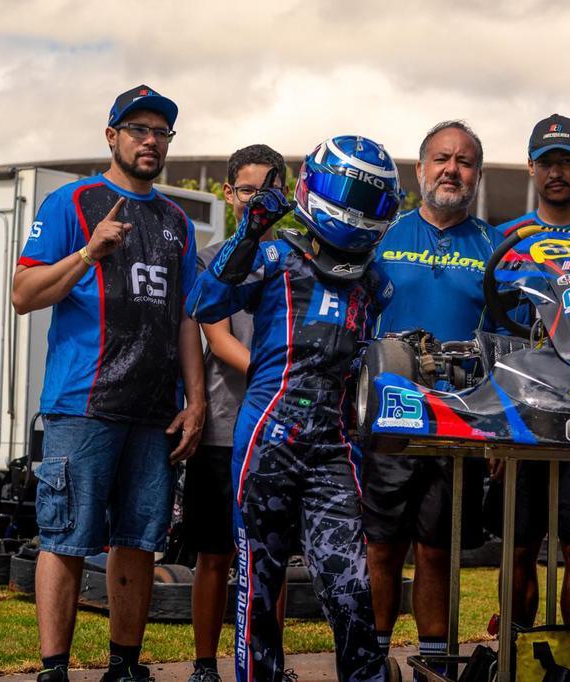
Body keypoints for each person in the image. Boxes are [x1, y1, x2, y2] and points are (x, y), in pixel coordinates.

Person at [187, 134, 403, 682]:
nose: (360, 206)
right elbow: (203, 303)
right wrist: (250, 230)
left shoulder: (376, 282)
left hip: (334, 445)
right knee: (259, 587)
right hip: (267, 438)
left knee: (351, 589)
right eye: (351, 191)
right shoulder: (273, 256)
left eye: (372, 198)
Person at [11, 85, 205, 682]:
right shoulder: (74, 202)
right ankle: (54, 669)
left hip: (154, 412)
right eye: (138, 129)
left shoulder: (176, 221)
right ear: (112, 136)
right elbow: (23, 295)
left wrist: (195, 401)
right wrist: (89, 254)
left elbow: (186, 316)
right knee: (65, 538)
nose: (150, 141)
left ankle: (124, 666)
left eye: (161, 132)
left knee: (138, 541)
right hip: (83, 403)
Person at [362, 121, 502, 673]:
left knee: (436, 550)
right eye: (441, 158)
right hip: (388, 420)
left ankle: (436, 662)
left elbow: (507, 344)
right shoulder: (382, 237)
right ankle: (371, 659)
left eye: (464, 161)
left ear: (478, 174)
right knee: (380, 546)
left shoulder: (495, 247)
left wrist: (497, 428)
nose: (452, 169)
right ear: (419, 169)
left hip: (459, 424)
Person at [485, 114, 570, 628]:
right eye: (546, 163)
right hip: (523, 408)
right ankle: (514, 652)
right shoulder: (505, 238)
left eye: (566, 161)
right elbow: (487, 330)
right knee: (518, 547)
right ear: (530, 168)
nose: (556, 172)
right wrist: (494, 419)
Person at [183, 144, 289, 682]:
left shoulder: (296, 256)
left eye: (267, 192)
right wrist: (285, 371)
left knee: (273, 557)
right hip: (226, 425)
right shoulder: (213, 258)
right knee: (214, 554)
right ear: (229, 194)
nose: (256, 201)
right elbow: (219, 339)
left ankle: (271, 662)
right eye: (247, 190)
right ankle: (205, 664)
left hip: (280, 429)